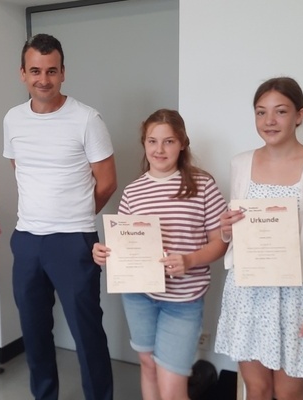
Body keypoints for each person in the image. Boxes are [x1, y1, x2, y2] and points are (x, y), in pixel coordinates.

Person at [214, 77, 303, 400]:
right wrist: (227, 228)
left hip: (297, 295)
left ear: (300, 115)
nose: (269, 121)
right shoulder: (240, 163)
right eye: (261, 112)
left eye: (281, 111)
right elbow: (236, 231)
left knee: (290, 392)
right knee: (256, 389)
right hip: (248, 292)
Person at [3, 33, 117, 400]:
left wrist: (74, 213)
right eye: (35, 71)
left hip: (73, 241)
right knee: (34, 332)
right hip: (27, 239)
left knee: (87, 333)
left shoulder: (87, 119)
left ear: (63, 72)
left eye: (51, 71)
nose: (44, 79)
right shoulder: (13, 119)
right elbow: (20, 169)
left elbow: (107, 182)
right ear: (23, 73)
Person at [92, 109, 228, 400]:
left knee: (172, 388)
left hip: (183, 300)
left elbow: (221, 242)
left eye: (169, 141)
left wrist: (190, 260)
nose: (159, 149)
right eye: (152, 141)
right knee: (148, 364)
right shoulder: (133, 191)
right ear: (144, 143)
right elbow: (124, 242)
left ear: (182, 143)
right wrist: (105, 252)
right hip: (138, 296)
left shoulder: (203, 185)